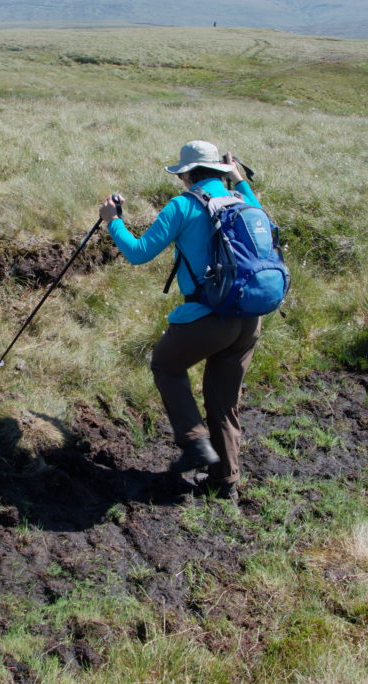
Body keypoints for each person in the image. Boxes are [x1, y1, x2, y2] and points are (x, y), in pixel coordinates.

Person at [99, 140, 266, 503]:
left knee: (165, 364)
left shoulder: (183, 205)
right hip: (250, 319)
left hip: (207, 318)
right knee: (223, 401)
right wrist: (239, 179)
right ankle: (225, 480)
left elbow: (138, 253)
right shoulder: (244, 201)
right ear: (222, 171)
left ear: (187, 174)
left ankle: (194, 445)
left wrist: (113, 222)